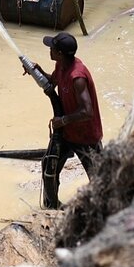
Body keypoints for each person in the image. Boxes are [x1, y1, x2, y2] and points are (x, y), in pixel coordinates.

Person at [26, 31, 104, 209]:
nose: (49, 50)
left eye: (52, 48)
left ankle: (101, 212)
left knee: (99, 178)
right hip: (68, 133)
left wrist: (63, 120)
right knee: (49, 166)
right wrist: (36, 71)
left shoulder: (77, 77)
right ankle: (52, 206)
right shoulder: (61, 66)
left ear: (59, 53)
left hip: (86, 137)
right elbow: (52, 82)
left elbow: (87, 111)